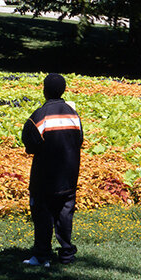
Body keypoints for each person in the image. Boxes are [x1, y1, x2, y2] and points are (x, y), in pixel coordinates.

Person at [22, 72, 84, 267]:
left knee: (42, 216)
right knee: (65, 214)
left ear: (45, 91)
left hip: (44, 178)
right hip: (69, 175)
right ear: (64, 90)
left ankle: (42, 256)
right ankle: (66, 255)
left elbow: (29, 145)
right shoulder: (74, 115)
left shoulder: (39, 116)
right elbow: (79, 141)